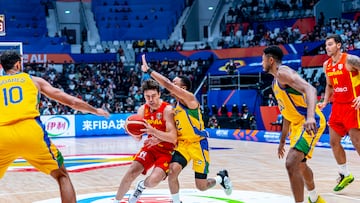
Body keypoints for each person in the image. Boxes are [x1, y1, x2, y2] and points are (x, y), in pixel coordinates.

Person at [0, 51, 110, 203]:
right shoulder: (33, 80)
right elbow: (69, 101)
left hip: (2, 135)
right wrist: (94, 110)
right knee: (61, 175)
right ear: (18, 64)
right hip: (31, 132)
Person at [141, 54, 232, 203]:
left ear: (182, 88)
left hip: (198, 145)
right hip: (183, 145)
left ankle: (221, 178)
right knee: (172, 172)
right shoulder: (175, 107)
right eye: (172, 82)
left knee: (201, 186)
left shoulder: (190, 99)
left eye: (174, 83)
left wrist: (148, 70)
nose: (171, 84)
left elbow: (167, 84)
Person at [262, 46, 326, 203]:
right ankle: (315, 198)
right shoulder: (274, 84)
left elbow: (310, 89)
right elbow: (286, 114)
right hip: (297, 125)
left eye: (263, 59)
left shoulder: (283, 72)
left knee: (291, 163)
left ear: (271, 60)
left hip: (310, 121)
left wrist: (310, 117)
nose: (261, 62)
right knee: (301, 166)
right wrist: (282, 141)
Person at [114, 79, 177, 203]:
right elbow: (138, 137)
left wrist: (155, 133)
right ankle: (116, 201)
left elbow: (173, 137)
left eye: (153, 96)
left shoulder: (167, 110)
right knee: (131, 172)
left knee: (153, 181)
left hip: (166, 151)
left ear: (159, 94)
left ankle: (141, 186)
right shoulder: (143, 109)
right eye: (147, 97)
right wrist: (130, 131)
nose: (151, 99)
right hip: (149, 148)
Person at [318, 34, 360, 192]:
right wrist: (325, 101)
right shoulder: (326, 65)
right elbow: (329, 85)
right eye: (326, 45)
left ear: (338, 45)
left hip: (353, 106)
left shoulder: (351, 60)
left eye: (330, 44)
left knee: (357, 143)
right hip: (337, 107)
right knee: (333, 141)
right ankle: (345, 174)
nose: (327, 47)